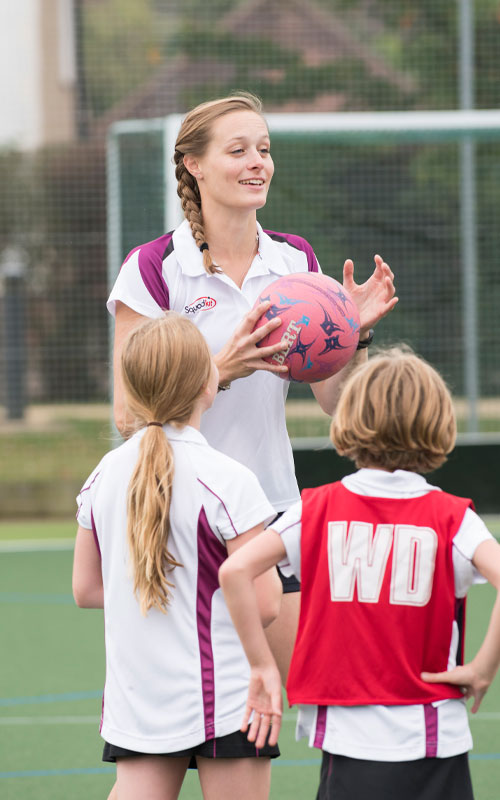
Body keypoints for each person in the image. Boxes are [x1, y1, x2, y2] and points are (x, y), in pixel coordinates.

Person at [108, 91, 398, 683]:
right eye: (237, 150)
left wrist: (351, 338)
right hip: (174, 514)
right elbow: (128, 414)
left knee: (301, 692)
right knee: (177, 726)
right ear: (194, 164)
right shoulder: (155, 267)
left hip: (269, 510)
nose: (257, 162)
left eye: (263, 149)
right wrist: (220, 369)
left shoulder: (296, 264)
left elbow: (338, 407)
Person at [219, 347, 500, 800]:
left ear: (349, 416)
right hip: (433, 738)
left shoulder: (314, 509)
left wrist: (260, 666)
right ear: (437, 421)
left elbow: (234, 570)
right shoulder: (453, 518)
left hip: (347, 742)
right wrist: (484, 667)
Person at [73, 313, 282, 800]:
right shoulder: (229, 480)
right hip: (226, 696)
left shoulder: (103, 476)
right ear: (208, 383)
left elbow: (86, 590)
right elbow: (267, 602)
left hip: (139, 699)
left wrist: (158, 591)